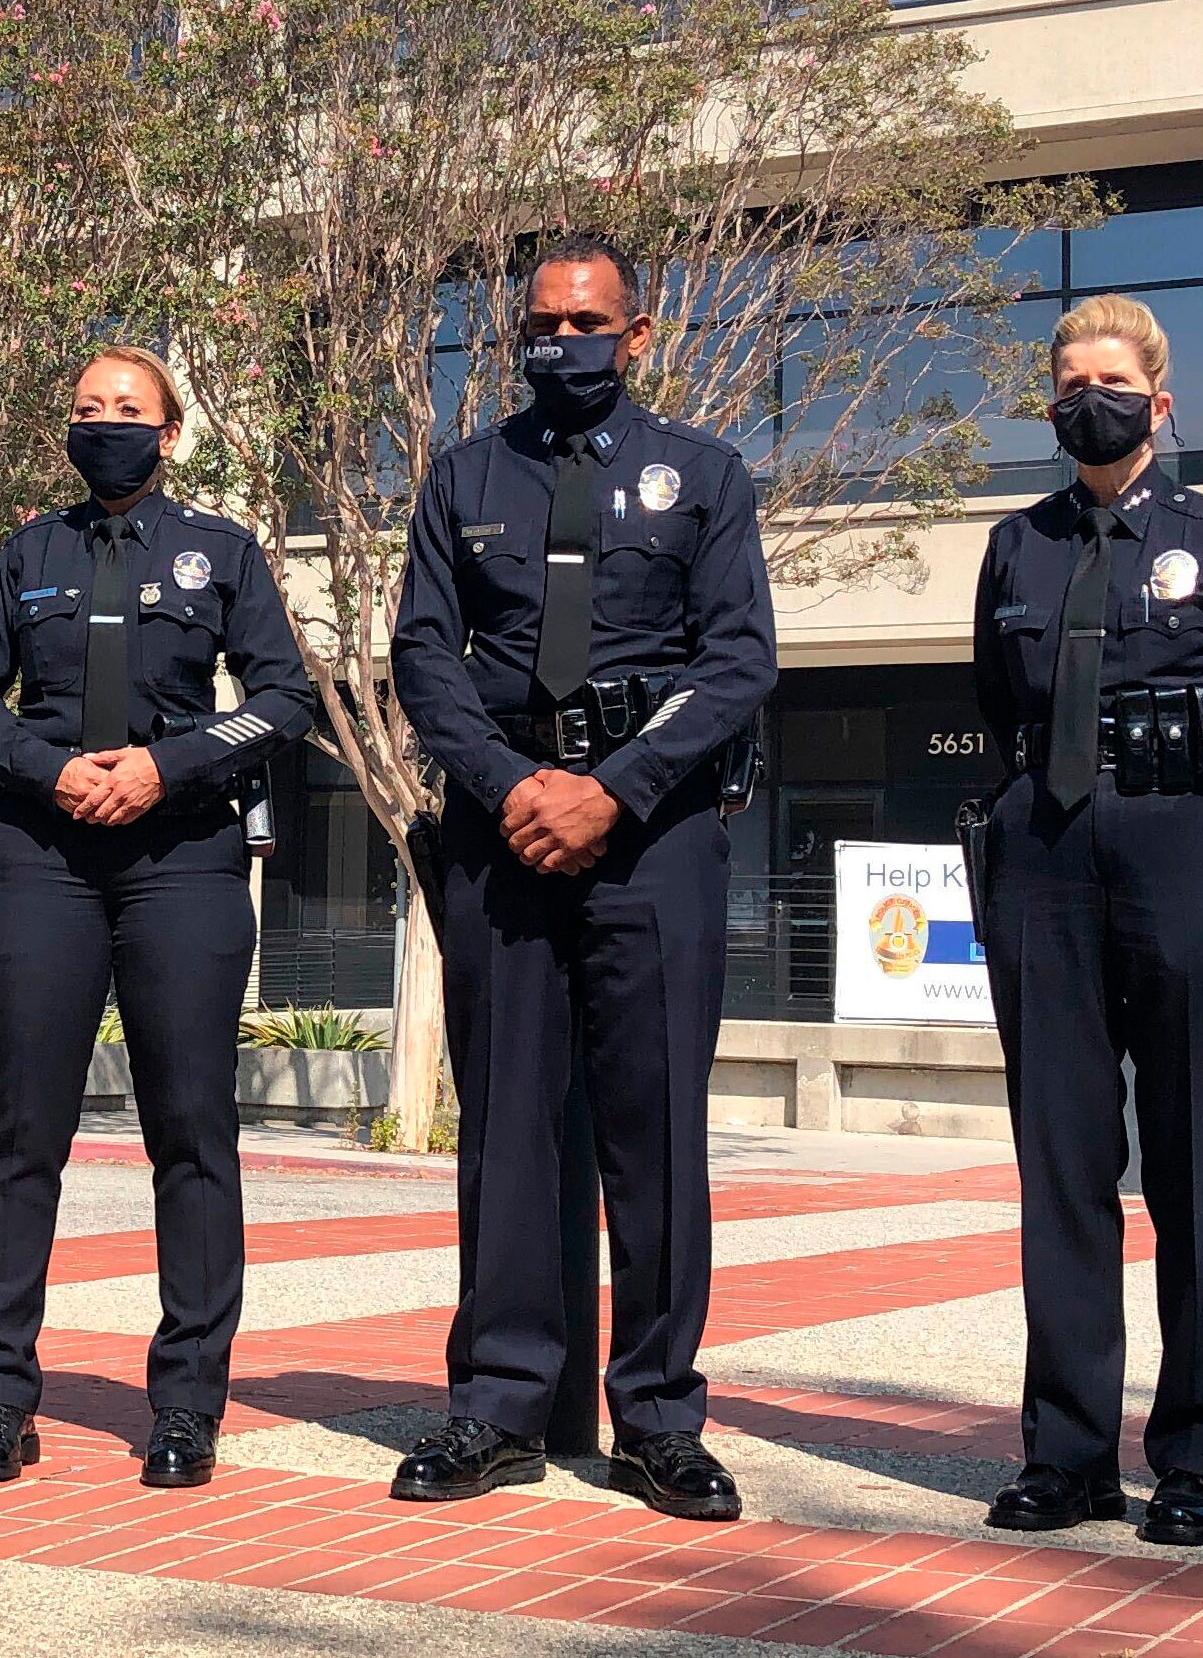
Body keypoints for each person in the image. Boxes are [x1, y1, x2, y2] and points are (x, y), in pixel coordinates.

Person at [387, 234, 777, 1524]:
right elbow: (424, 658)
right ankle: (500, 1406)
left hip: (652, 833)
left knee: (653, 1131)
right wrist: (510, 785)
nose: (564, 341)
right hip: (501, 831)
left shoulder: (705, 475)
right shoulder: (464, 476)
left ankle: (657, 1416)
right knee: (503, 1132)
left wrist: (614, 788)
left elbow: (737, 664)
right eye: (542, 325)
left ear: (639, 330)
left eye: (587, 320)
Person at [965, 295, 1203, 1550]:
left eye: (1110, 379)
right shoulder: (1015, 545)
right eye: (1069, 380)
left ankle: (1196, 1457)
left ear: (1159, 404)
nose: (1087, 397)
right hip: (1048, 864)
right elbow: (999, 707)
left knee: (1192, 1167)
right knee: (1061, 1168)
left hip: (1192, 859)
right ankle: (1066, 1454)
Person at [0, 349, 317, 1492]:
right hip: (42, 856)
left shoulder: (225, 553)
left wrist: (166, 766)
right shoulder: (28, 551)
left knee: (192, 1132)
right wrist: (52, 772)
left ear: (170, 432)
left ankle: (188, 1404)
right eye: (88, 408)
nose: (104, 423)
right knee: (21, 1133)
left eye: (128, 409)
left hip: (182, 859)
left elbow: (285, 697)